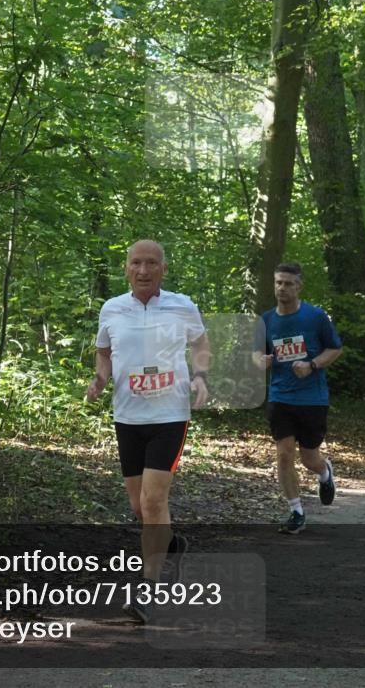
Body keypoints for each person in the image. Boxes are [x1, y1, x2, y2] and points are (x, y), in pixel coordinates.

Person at [86, 240, 210, 623]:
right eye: (136, 263)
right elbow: (104, 352)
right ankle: (173, 544)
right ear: (126, 268)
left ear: (163, 268)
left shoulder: (181, 305)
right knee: (140, 508)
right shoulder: (112, 308)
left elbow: (201, 344)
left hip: (170, 415)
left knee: (155, 503)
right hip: (128, 417)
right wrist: (99, 380)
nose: (143, 270)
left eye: (151, 263)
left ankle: (147, 589)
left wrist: (201, 376)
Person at [255, 262, 343, 535]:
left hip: (312, 398)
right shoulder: (266, 320)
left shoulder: (315, 317)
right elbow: (255, 355)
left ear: (299, 286)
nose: (282, 288)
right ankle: (296, 511)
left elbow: (335, 349)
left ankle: (325, 471)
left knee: (309, 458)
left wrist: (312, 365)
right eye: (278, 282)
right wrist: (263, 361)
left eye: (288, 283)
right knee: (284, 454)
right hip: (281, 396)